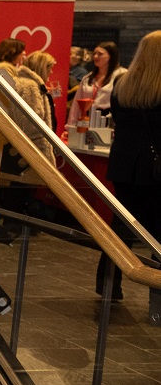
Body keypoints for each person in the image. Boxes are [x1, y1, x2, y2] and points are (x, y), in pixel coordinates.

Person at [97, 31, 161, 304]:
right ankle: (156, 295)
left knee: (121, 227)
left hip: (124, 166)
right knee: (158, 233)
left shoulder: (122, 84)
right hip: (156, 169)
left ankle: (109, 285)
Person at [0, 38, 56, 170]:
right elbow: (30, 124)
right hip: (23, 156)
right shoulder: (7, 73)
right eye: (21, 51)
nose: (24, 54)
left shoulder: (18, 78)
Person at [69, 40, 125, 126]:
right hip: (87, 119)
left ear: (111, 56)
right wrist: (71, 125)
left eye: (100, 54)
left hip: (109, 120)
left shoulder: (122, 75)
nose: (95, 56)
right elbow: (76, 105)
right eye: (94, 53)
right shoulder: (87, 78)